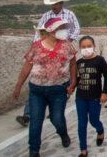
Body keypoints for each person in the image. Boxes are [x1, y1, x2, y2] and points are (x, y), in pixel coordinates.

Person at [13, 18, 77, 157]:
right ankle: (34, 150)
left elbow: (72, 64)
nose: (63, 31)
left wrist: (73, 83)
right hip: (37, 90)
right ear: (50, 31)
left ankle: (63, 134)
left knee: (57, 118)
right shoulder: (36, 46)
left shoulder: (67, 46)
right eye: (60, 28)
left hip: (58, 89)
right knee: (36, 120)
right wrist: (18, 85)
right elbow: (27, 66)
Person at [16, 0, 81, 128]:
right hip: (46, 51)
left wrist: (67, 42)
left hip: (63, 51)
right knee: (38, 81)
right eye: (52, 4)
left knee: (62, 77)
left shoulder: (69, 15)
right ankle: (28, 114)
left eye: (56, 3)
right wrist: (37, 47)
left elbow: (76, 29)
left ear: (61, 4)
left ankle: (58, 106)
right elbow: (38, 33)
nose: (53, 6)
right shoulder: (46, 16)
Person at [75, 36, 107, 157]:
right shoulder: (79, 63)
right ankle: (83, 149)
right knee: (82, 122)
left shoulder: (99, 60)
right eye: (83, 47)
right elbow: (76, 79)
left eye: (89, 46)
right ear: (80, 48)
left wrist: (105, 92)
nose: (86, 49)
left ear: (94, 46)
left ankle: (100, 130)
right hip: (80, 96)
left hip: (95, 96)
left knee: (94, 120)